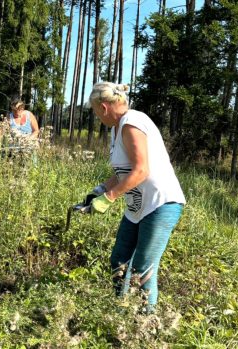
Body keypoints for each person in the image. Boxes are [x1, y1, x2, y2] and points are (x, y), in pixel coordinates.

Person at [85, 82, 186, 314]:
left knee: (142, 268)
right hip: (138, 207)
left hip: (161, 204)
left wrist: (109, 198)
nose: (96, 116)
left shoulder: (132, 122)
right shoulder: (117, 128)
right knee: (118, 260)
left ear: (103, 107)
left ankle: (146, 324)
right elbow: (123, 171)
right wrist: (98, 191)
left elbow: (141, 170)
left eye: (95, 111)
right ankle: (120, 311)